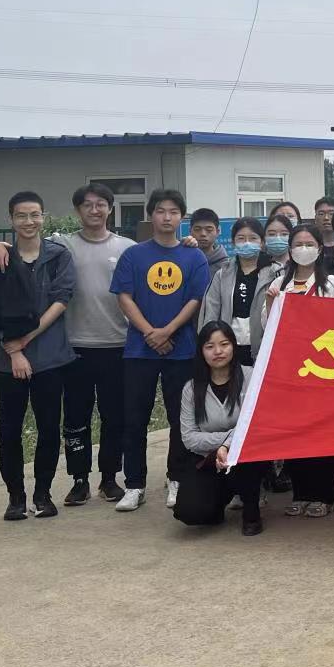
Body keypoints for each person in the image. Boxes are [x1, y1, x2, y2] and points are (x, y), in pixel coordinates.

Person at [0, 182, 135, 506]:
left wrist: (189, 241)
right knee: (74, 419)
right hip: (73, 347)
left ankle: (109, 478)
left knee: (114, 416)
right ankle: (79, 480)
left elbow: (156, 260)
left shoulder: (128, 247)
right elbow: (25, 243)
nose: (94, 210)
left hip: (116, 344)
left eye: (101, 204)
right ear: (77, 210)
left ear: (110, 209)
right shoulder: (63, 245)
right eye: (87, 205)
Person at [110, 189, 210, 514]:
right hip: (139, 351)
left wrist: (168, 331)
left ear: (182, 217)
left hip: (181, 350)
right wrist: (150, 333)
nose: (167, 217)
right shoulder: (134, 255)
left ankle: (176, 478)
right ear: (151, 215)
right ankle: (134, 484)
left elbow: (195, 300)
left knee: (180, 419)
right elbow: (124, 297)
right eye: (160, 211)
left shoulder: (194, 257)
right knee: (134, 418)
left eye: (173, 212)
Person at [0, 191, 76, 520]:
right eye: (21, 215)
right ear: (11, 219)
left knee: (49, 427)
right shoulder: (0, 258)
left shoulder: (58, 256)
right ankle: (15, 497)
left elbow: (61, 300)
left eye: (34, 214)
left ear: (43, 217)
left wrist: (25, 339)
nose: (29, 221)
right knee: (9, 429)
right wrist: (12, 350)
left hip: (49, 357)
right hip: (6, 361)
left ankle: (43, 494)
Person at [263, 222, 334, 517]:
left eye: (309, 244)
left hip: (323, 367)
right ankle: (301, 492)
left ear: (320, 249)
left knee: (320, 432)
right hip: (290, 369)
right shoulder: (279, 284)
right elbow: (267, 327)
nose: (304, 249)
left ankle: (325, 493)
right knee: (295, 431)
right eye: (298, 244)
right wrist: (271, 303)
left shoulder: (331, 283)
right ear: (290, 249)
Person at [173, 322, 264, 536]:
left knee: (247, 458)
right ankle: (221, 499)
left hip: (248, 455)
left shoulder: (251, 377)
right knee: (189, 512)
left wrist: (228, 446)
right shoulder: (191, 388)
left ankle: (251, 511)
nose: (218, 351)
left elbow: (255, 424)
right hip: (208, 459)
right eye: (210, 346)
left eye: (224, 344)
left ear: (233, 346)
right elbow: (189, 438)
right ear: (201, 351)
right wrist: (223, 445)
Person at [198, 217, 275, 367]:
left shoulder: (274, 273)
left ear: (262, 243)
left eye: (253, 238)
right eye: (241, 238)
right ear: (233, 243)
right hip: (227, 350)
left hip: (263, 350)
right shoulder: (222, 274)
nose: (247, 243)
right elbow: (211, 312)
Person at [189, 208, 230, 277]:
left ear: (217, 232)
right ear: (190, 231)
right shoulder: (183, 259)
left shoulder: (226, 265)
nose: (203, 234)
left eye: (209, 230)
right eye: (197, 229)